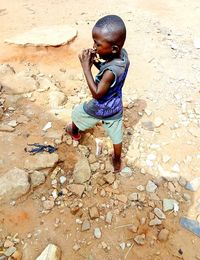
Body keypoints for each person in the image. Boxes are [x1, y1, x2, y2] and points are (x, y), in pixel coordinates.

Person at [66, 14, 130, 172]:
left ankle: (74, 132)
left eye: (98, 44)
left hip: (100, 107)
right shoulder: (123, 57)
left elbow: (97, 93)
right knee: (116, 135)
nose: (94, 47)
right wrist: (95, 61)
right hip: (115, 107)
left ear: (113, 48)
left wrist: (86, 67)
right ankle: (116, 160)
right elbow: (109, 74)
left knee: (77, 113)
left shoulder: (110, 71)